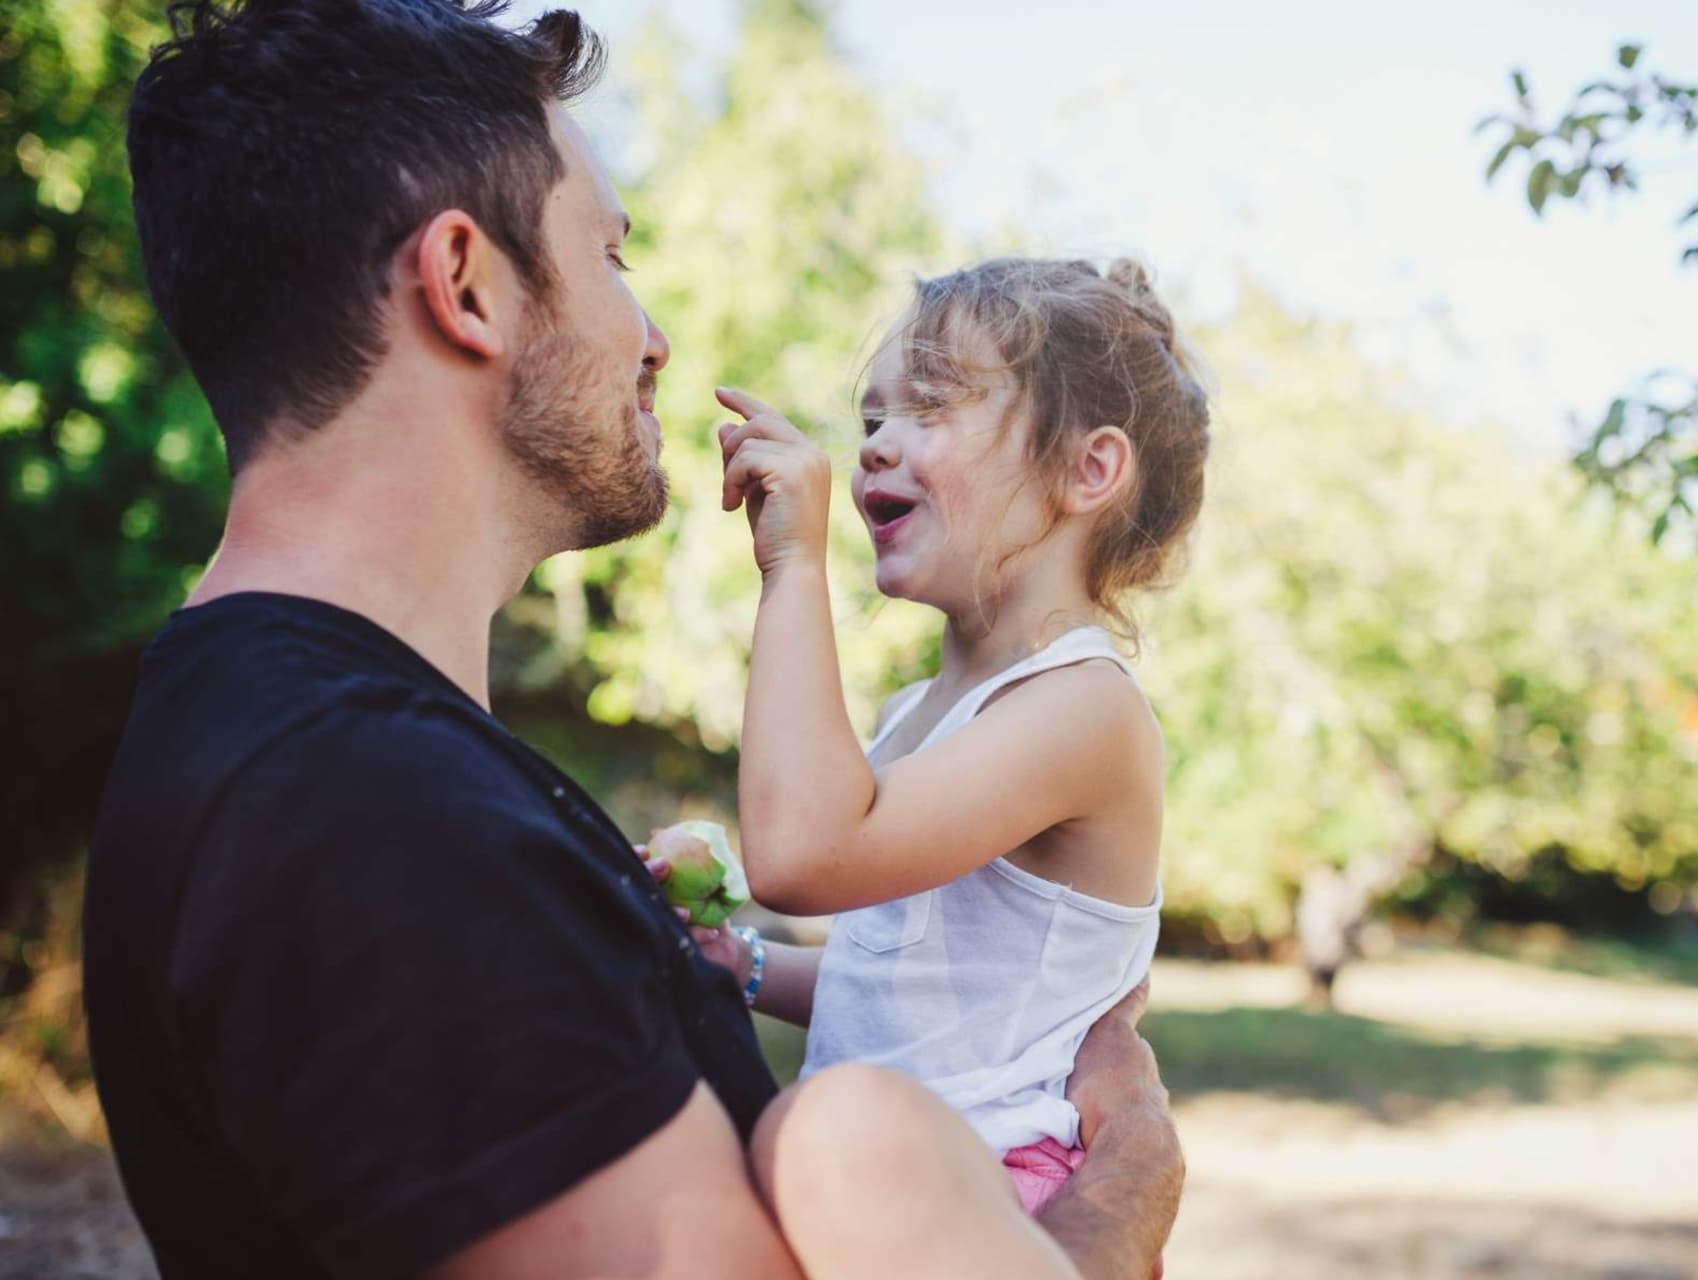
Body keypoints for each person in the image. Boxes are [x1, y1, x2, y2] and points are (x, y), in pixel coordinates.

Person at [81, 3, 1182, 1277]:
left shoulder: (310, 742)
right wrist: (1122, 1202)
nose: (652, 334)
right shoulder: (372, 815)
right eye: (612, 255)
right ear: (466, 284)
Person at [668, 258, 1207, 1229]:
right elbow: (900, 988)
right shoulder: (917, 706)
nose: (874, 445)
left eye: (929, 407)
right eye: (872, 416)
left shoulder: (1083, 709)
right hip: (893, 1184)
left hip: (995, 1196)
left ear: (1087, 469)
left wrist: (792, 567)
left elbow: (799, 854)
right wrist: (738, 961)